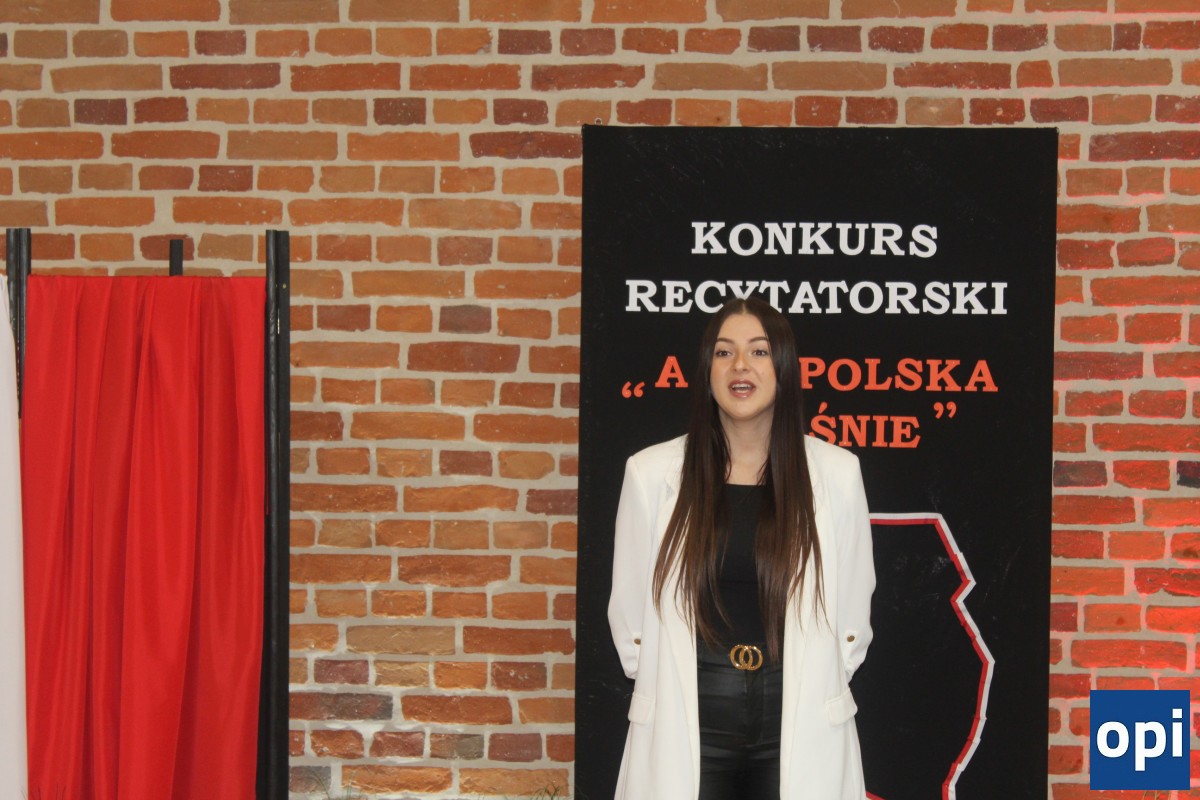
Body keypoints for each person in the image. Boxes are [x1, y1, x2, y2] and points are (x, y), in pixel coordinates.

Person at [608, 296, 875, 800]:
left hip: (797, 720)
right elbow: (630, 620)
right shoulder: (650, 474)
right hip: (688, 721)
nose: (740, 366)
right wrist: (665, 684)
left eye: (759, 351)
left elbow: (852, 616)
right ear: (707, 370)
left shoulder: (837, 474)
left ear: (784, 367)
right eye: (724, 352)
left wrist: (816, 681)